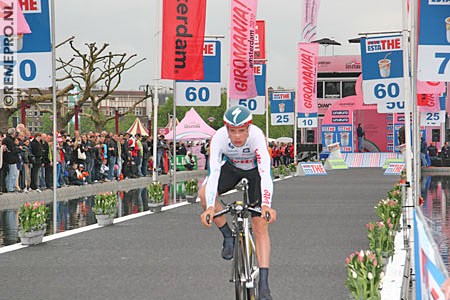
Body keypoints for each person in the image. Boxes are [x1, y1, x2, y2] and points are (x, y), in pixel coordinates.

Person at [199, 106, 277, 300]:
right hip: (231, 169)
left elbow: (265, 173)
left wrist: (266, 204)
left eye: (241, 131)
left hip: (255, 172)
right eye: (232, 131)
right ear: (226, 129)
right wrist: (209, 206)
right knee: (202, 193)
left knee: (260, 224)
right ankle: (228, 236)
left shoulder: (257, 136)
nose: (237, 136)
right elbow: (214, 172)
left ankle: (264, 284)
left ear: (248, 128)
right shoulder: (218, 138)